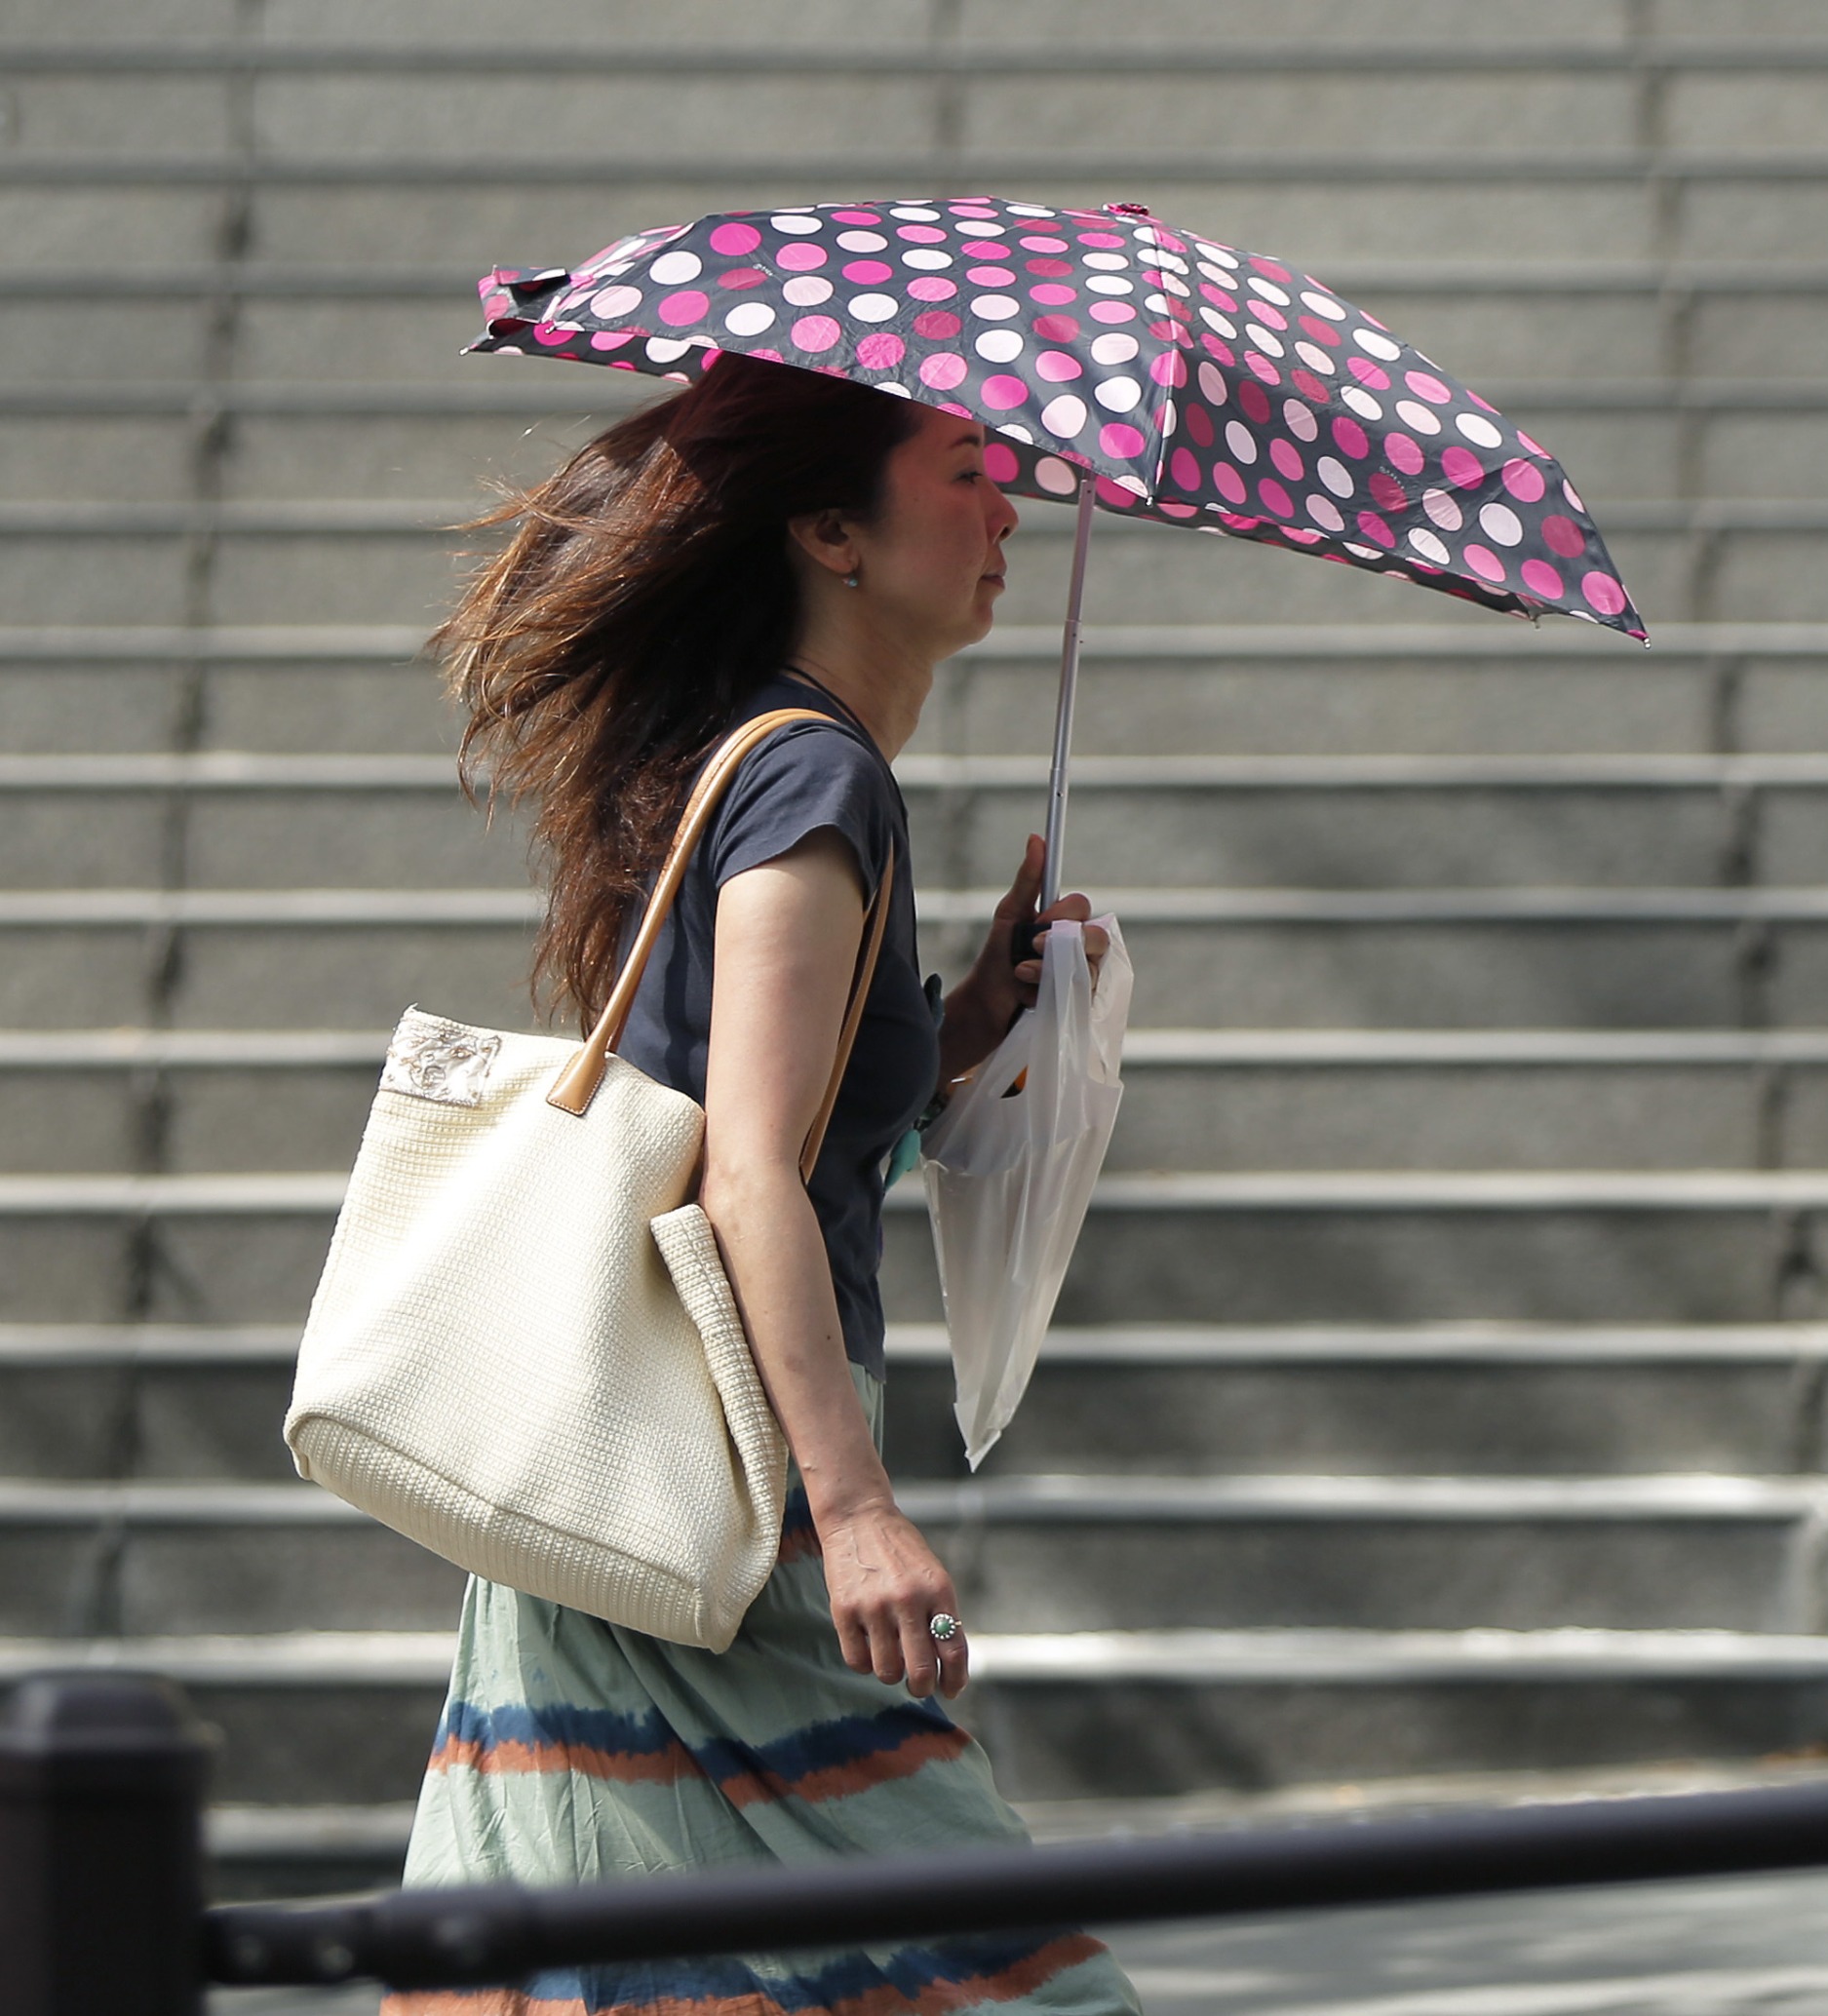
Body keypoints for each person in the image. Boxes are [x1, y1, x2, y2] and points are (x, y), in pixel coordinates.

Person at [391, 350, 1136, 2016]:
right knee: (988, 1973)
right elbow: (747, 1174)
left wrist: (956, 1030)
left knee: (621, 1949)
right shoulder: (815, 777)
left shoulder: (772, 760)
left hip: (640, 1447)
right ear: (831, 529)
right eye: (961, 466)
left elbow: (776, 1119)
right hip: (732, 1473)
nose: (1009, 501)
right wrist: (857, 1508)